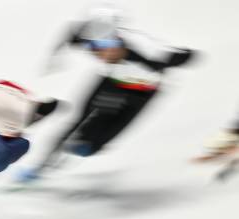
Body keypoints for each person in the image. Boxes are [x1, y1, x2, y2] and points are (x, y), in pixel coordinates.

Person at [18, 5, 196, 180]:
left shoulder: (149, 52)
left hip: (142, 92)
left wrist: (176, 59)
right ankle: (40, 168)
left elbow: (187, 55)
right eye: (92, 49)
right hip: (112, 82)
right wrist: (56, 57)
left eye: (103, 49)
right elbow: (71, 33)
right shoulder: (89, 38)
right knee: (77, 122)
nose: (98, 55)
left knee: (103, 134)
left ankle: (90, 145)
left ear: (117, 42)